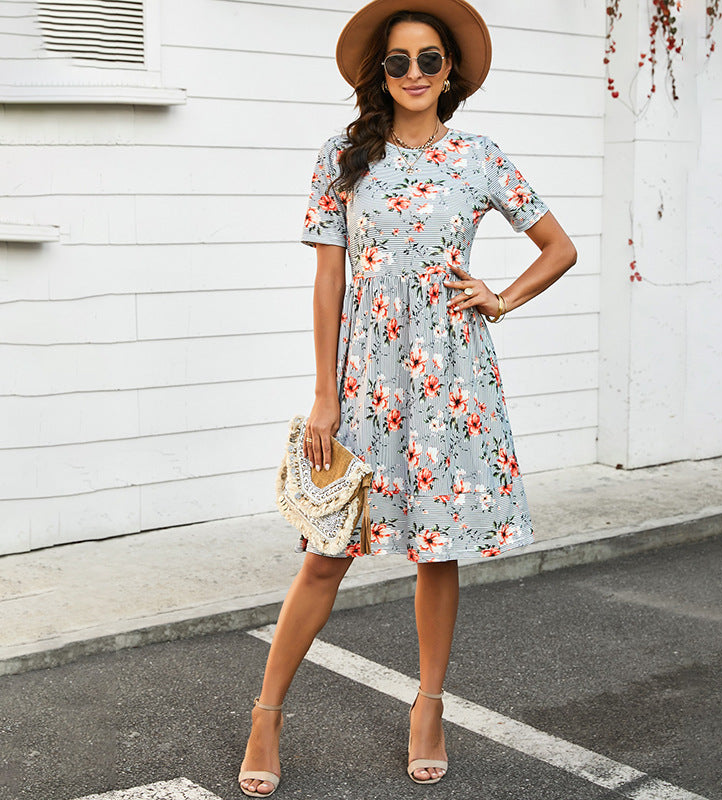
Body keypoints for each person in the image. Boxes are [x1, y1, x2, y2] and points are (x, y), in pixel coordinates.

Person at [238, 0, 577, 795]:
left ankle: (429, 707)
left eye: (430, 60)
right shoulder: (343, 156)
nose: (416, 73)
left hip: (453, 379)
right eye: (399, 61)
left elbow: (558, 248)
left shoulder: (480, 156)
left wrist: (502, 298)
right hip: (365, 383)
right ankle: (267, 713)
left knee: (438, 549)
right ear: (380, 73)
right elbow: (329, 282)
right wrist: (325, 394)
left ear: (450, 71)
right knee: (327, 553)